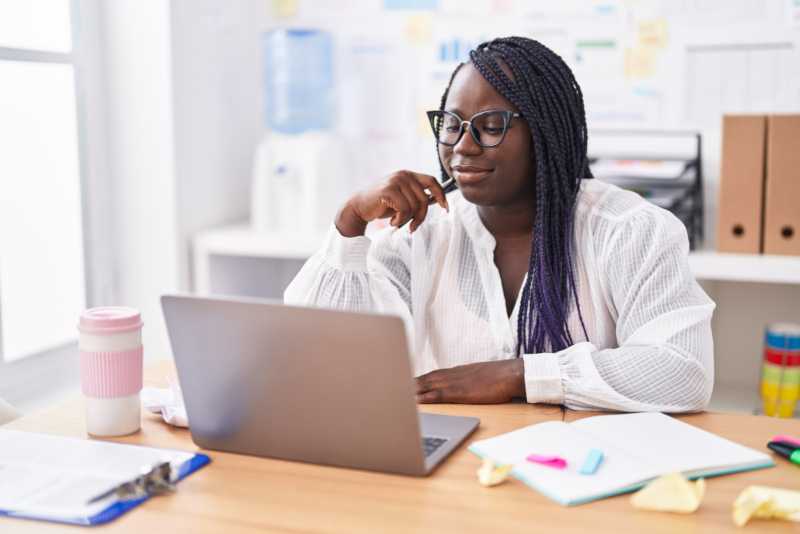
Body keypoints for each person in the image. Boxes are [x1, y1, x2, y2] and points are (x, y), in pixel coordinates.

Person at [284, 36, 715, 412]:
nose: (463, 147)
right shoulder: (423, 233)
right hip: (455, 473)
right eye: (451, 125)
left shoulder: (629, 231)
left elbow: (682, 369)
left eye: (491, 126)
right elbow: (321, 355)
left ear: (545, 133)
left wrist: (519, 376)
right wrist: (350, 222)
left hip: (581, 473)